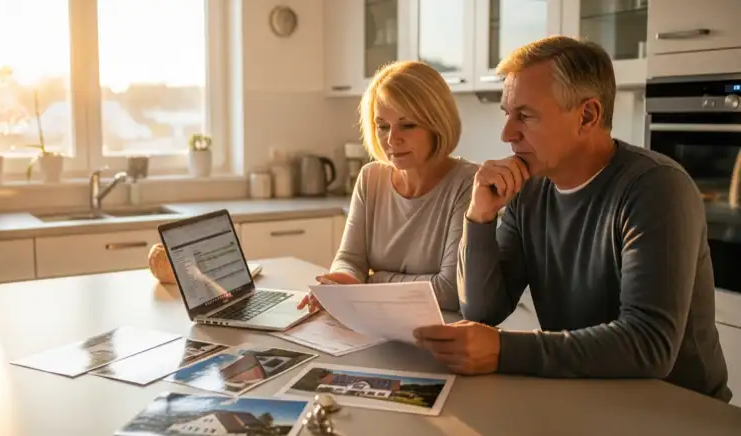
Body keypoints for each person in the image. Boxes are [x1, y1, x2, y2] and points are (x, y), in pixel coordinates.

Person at [413, 36, 732, 402]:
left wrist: (503, 350)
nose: (507, 134)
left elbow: (649, 345)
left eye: (526, 116)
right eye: (507, 114)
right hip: (584, 394)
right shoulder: (529, 190)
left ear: (587, 116)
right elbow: (484, 309)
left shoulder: (656, 187)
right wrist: (479, 216)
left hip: (678, 411)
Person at [297, 60, 479, 313]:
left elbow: (449, 292)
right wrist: (340, 281)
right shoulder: (371, 178)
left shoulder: (468, 183)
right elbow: (350, 259)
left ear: (437, 125)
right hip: (379, 321)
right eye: (382, 126)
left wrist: (372, 282)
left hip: (442, 334)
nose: (392, 139)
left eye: (408, 125)